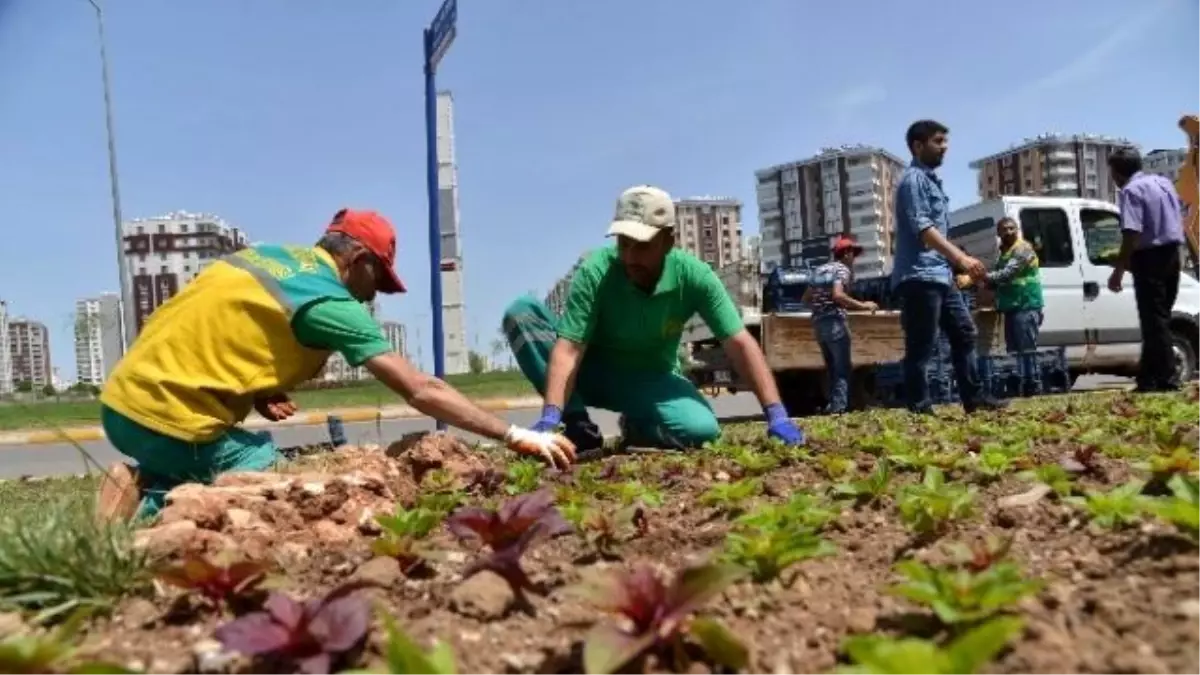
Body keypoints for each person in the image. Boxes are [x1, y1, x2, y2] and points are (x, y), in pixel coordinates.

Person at [96, 208, 576, 522]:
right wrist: (514, 435)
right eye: (379, 282)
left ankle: (143, 480)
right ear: (359, 259)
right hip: (169, 419)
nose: (374, 296)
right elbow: (420, 389)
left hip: (124, 399)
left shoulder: (269, 257)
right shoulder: (328, 299)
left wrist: (258, 387)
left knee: (205, 465)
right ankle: (147, 511)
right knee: (266, 478)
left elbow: (217, 324)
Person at [501, 184, 805, 456]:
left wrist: (776, 413)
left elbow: (739, 343)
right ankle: (576, 424)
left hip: (650, 378)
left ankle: (637, 426)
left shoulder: (694, 276)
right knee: (521, 311)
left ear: (668, 241)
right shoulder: (596, 270)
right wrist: (551, 417)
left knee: (701, 431)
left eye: (643, 246)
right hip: (588, 373)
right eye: (623, 244)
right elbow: (569, 349)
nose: (630, 257)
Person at [891, 119, 1008, 415]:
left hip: (940, 275)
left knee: (964, 333)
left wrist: (955, 263)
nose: (945, 148)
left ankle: (974, 398)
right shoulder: (913, 181)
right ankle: (920, 407)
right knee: (922, 345)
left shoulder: (930, 181)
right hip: (919, 276)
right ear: (918, 146)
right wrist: (962, 259)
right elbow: (924, 230)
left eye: (945, 141)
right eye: (938, 142)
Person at [1106, 147, 1187, 392]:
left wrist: (1119, 269)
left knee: (1154, 321)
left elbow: (1132, 231)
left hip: (1149, 257)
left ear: (1118, 173)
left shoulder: (1131, 191)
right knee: (1158, 319)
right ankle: (1148, 379)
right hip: (1172, 253)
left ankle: (1167, 380)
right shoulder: (1163, 183)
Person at [959, 217, 1045, 396]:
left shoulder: (1023, 249)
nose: (1008, 232)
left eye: (1011, 228)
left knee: (1027, 349)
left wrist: (978, 277)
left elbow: (1007, 274)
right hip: (1012, 307)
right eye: (1004, 229)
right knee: (1014, 350)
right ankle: (1020, 385)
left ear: (1017, 230)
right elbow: (995, 283)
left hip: (1026, 305)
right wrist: (976, 284)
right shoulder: (1004, 253)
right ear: (998, 233)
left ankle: (1033, 386)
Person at [801, 237, 878, 414]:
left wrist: (821, 306)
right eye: (853, 254)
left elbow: (805, 299)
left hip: (819, 325)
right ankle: (839, 408)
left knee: (831, 367)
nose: (854, 259)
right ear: (847, 254)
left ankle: (833, 404)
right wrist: (863, 305)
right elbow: (838, 295)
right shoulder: (841, 270)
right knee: (842, 367)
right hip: (835, 322)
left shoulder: (819, 270)